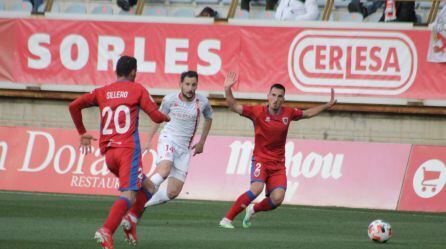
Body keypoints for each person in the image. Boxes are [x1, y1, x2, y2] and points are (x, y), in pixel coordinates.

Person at [68, 56, 170, 249]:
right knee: (129, 194)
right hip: (127, 151)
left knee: (149, 187)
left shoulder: (102, 92)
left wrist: (82, 133)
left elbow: (73, 106)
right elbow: (156, 116)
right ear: (133, 72)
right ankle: (106, 230)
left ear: (117, 71)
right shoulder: (137, 89)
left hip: (109, 155)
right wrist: (167, 116)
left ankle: (130, 221)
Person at [219, 72, 336, 229]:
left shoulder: (289, 113)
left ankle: (253, 209)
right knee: (257, 189)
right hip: (260, 160)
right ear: (268, 96)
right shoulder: (257, 112)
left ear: (283, 99)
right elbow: (233, 106)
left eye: (279, 96)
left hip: (278, 165)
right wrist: (227, 89)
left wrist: (326, 106)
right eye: (273, 95)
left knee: (277, 199)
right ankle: (226, 219)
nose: (276, 99)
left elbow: (307, 113)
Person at [120, 71, 213, 234]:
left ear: (197, 85)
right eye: (187, 84)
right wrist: (149, 140)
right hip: (168, 140)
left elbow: (209, 118)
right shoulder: (170, 99)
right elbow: (158, 117)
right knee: (164, 170)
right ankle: (135, 196)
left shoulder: (202, 101)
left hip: (184, 150)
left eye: (193, 85)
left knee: (172, 192)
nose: (190, 88)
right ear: (180, 84)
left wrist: (202, 142)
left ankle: (140, 205)